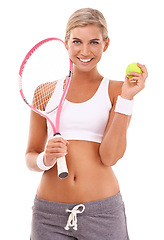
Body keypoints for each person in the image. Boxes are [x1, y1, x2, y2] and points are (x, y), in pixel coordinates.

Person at [26, 8, 148, 240]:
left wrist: (127, 98)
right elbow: (30, 157)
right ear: (66, 43)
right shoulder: (45, 92)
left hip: (103, 215)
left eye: (93, 42)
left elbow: (110, 157)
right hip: (48, 216)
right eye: (77, 42)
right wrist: (45, 158)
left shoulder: (117, 90)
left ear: (106, 44)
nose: (84, 51)